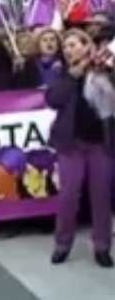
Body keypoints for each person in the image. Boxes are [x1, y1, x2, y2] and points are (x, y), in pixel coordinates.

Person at [45, 30, 113, 268]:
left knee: (101, 195)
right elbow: (53, 99)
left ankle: (102, 246)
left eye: (73, 45)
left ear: (87, 46)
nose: (68, 50)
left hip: (100, 143)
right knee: (68, 196)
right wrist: (73, 76)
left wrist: (106, 68)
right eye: (66, 46)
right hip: (70, 143)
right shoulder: (60, 72)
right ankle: (62, 244)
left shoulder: (103, 68)